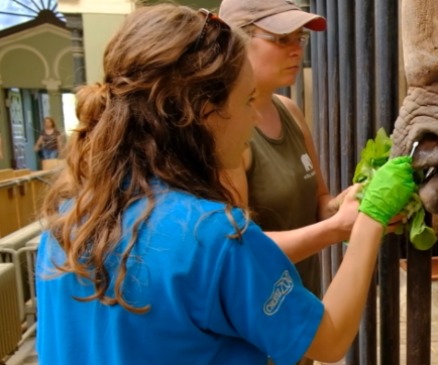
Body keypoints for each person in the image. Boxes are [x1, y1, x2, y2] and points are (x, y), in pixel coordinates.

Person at [35, 4, 416, 365]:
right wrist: (370, 219)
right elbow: (329, 338)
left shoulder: (66, 219)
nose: (253, 118)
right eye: (247, 100)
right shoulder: (213, 236)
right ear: (203, 112)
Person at [218, 0, 353, 326]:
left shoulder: (288, 110)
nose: (296, 50)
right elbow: (240, 249)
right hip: (259, 324)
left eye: (300, 39)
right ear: (236, 41)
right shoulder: (227, 131)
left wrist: (351, 205)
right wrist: (336, 229)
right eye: (281, 39)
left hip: (301, 307)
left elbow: (319, 201)